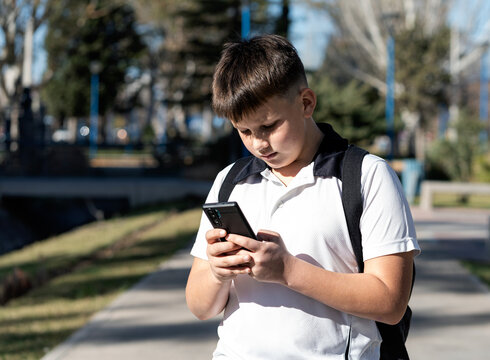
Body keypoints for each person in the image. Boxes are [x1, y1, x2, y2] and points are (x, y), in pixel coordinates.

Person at [185, 34, 420, 359]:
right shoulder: (230, 181)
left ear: (306, 102)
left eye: (269, 125)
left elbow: (391, 302)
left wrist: (288, 271)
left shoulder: (367, 175)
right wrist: (216, 272)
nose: (258, 144)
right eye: (245, 131)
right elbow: (199, 306)